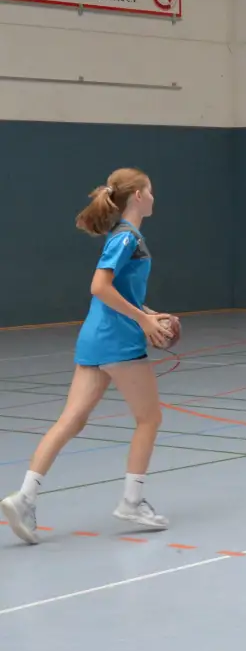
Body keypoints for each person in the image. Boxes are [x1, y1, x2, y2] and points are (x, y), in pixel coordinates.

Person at [1, 169, 175, 544]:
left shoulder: (125, 237)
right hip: (118, 342)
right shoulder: (128, 236)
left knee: (71, 420)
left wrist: (149, 312)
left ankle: (25, 497)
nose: (154, 198)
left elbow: (121, 291)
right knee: (150, 419)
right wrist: (143, 319)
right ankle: (131, 501)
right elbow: (99, 286)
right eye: (151, 191)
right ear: (139, 197)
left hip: (96, 339)